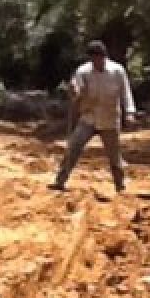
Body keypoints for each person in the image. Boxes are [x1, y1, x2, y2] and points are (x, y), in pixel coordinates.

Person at [50, 41, 136, 192]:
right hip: (89, 117)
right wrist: (74, 92)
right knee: (73, 147)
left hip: (110, 118)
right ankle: (60, 181)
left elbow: (125, 93)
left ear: (104, 57)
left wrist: (129, 112)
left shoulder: (117, 71)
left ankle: (120, 185)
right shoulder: (83, 71)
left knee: (114, 155)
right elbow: (76, 89)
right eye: (93, 58)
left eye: (99, 58)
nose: (96, 61)